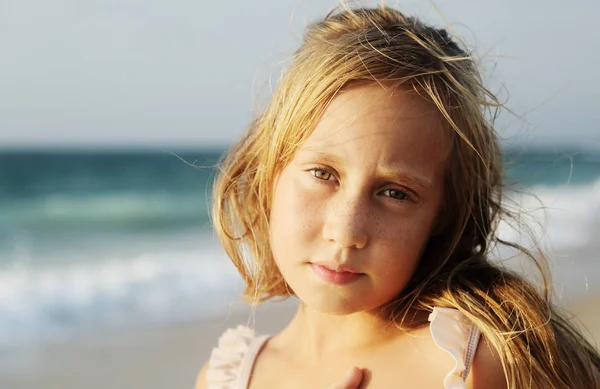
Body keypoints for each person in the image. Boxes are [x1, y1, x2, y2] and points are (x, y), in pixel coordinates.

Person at [196, 4, 600, 389]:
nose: (347, 231)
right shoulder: (228, 378)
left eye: (395, 193)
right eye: (323, 174)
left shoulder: (478, 363)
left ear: (443, 214)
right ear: (269, 173)